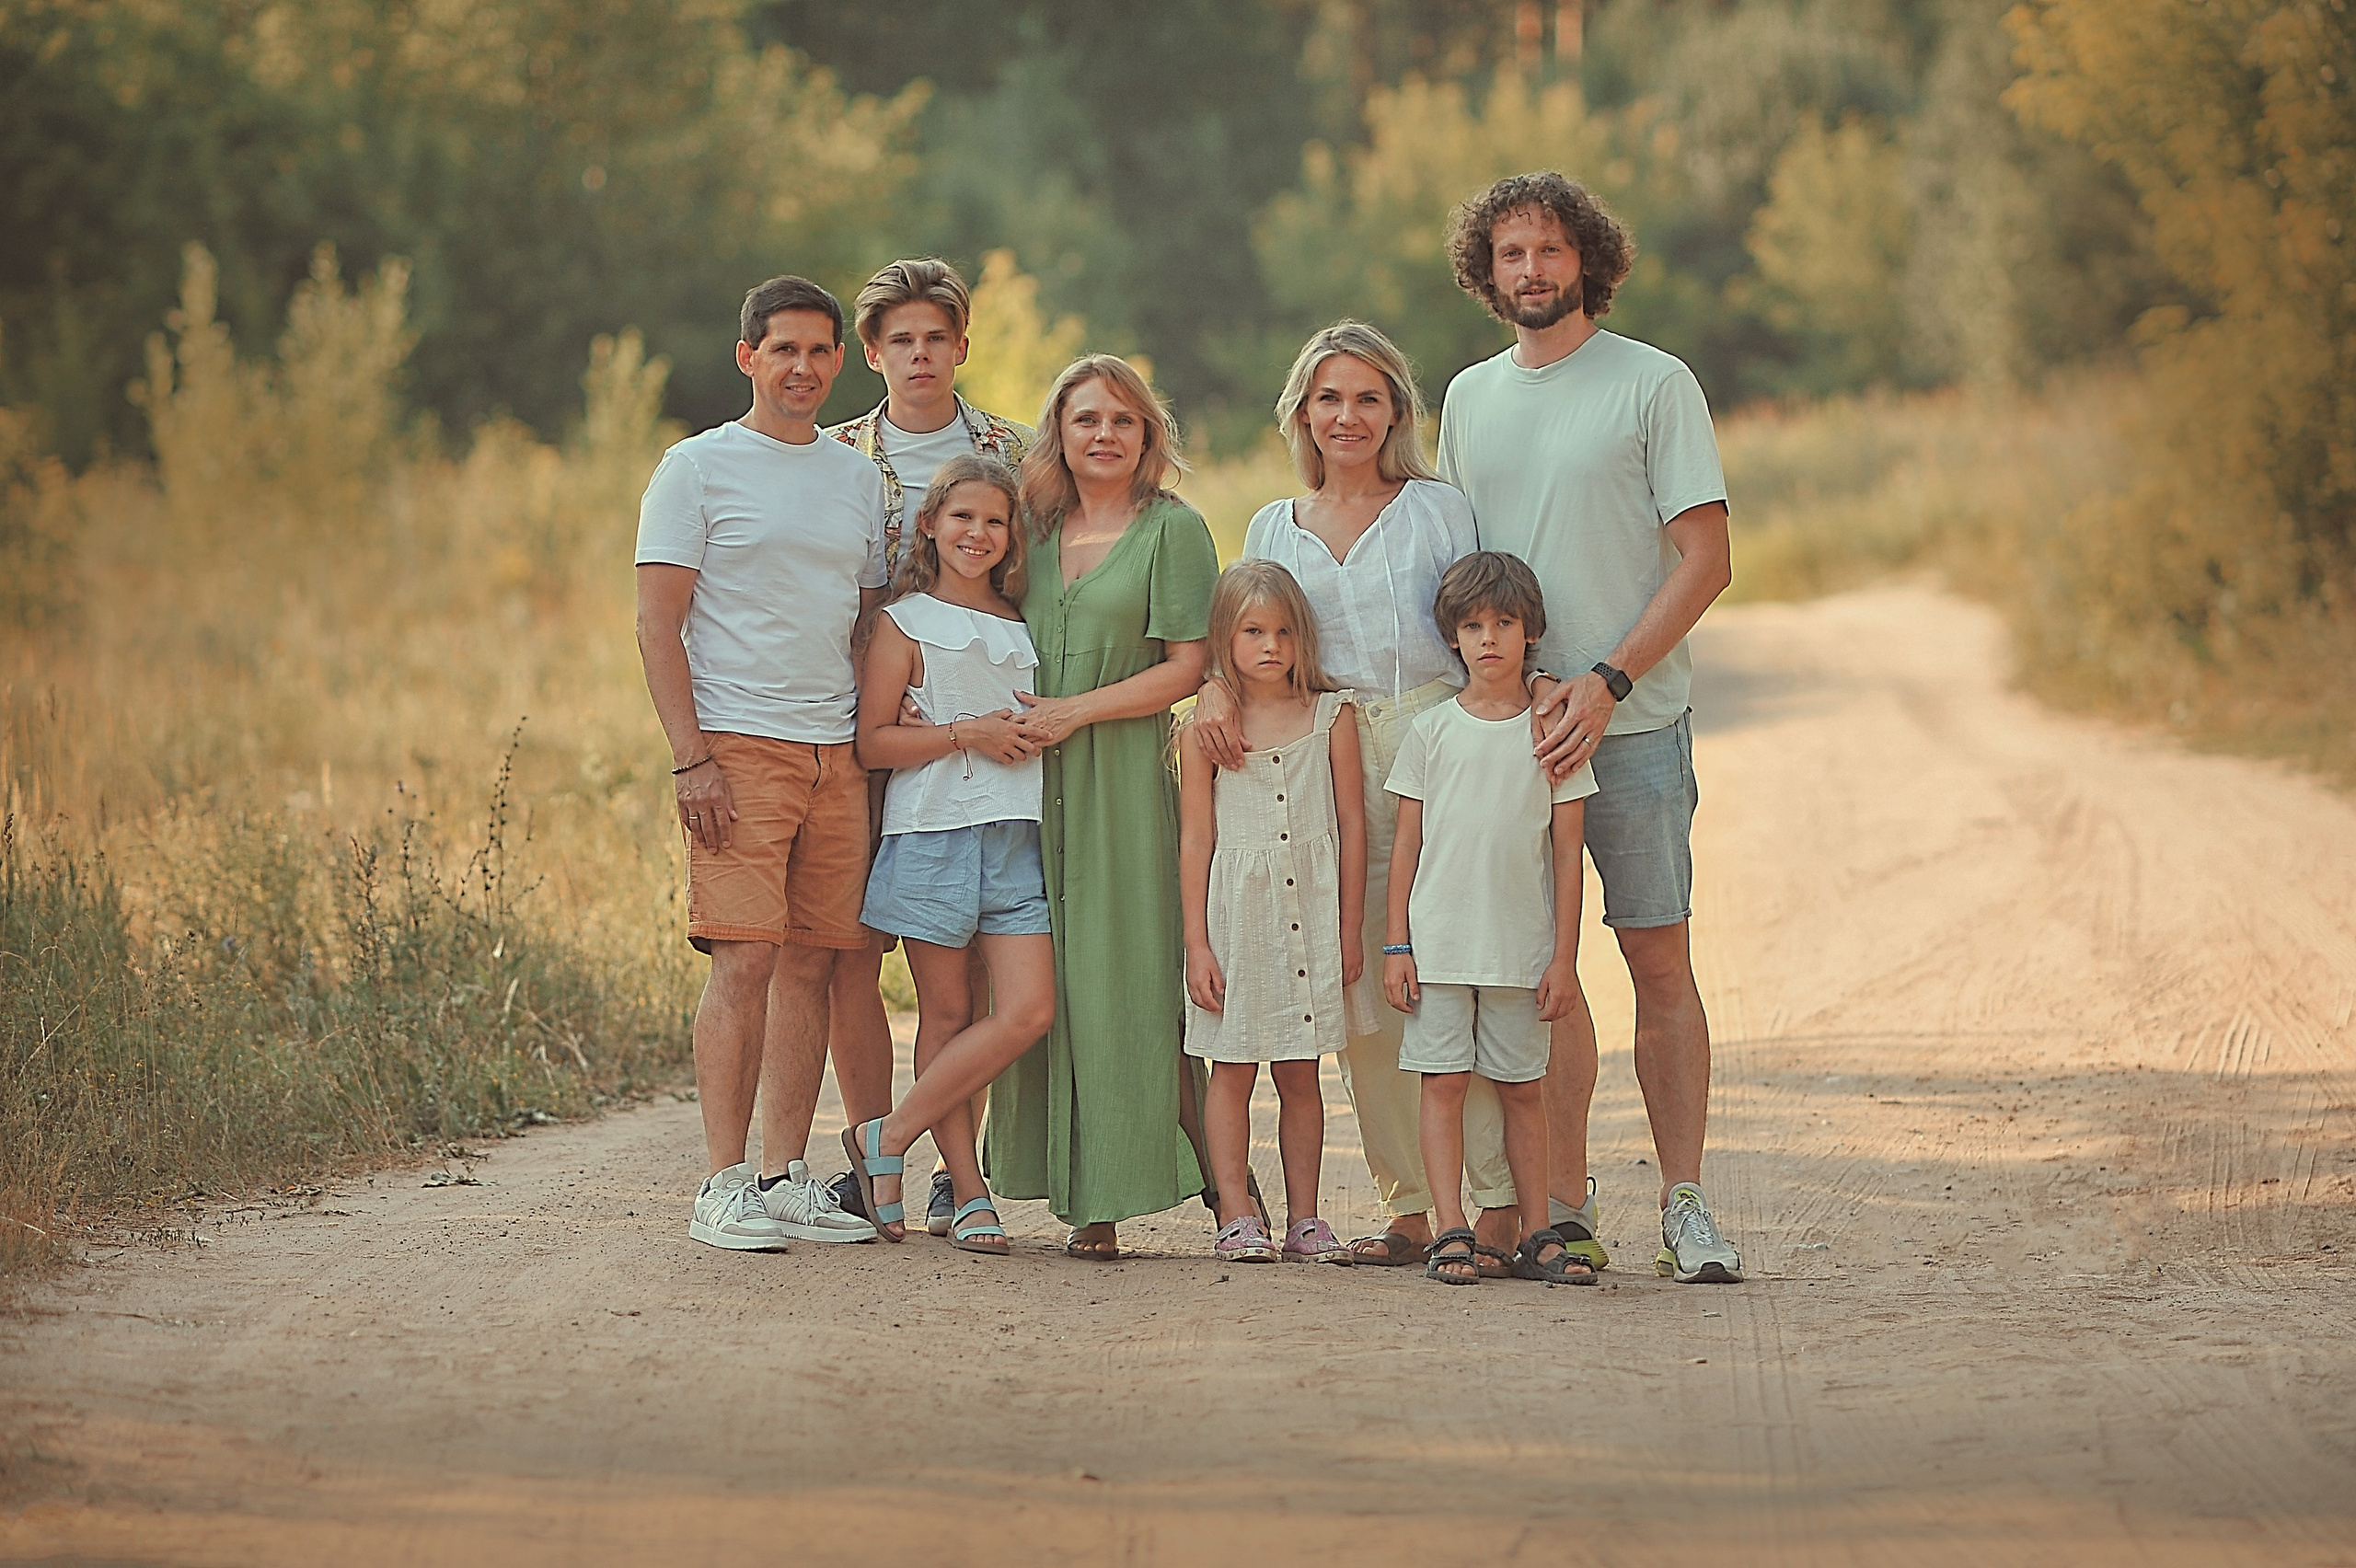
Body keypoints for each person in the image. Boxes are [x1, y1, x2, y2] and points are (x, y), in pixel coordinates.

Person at [1438, 170, 1743, 1284]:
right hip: (1514, 741)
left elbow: (1706, 560)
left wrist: (1608, 679)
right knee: (1541, 978)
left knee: (1657, 962)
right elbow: (1467, 571)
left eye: (1550, 250)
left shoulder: (1654, 384)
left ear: (1589, 261)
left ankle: (1686, 1206)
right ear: (1487, 270)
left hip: (1633, 723)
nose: (1532, 270)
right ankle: (1562, 1210)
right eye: (1511, 253)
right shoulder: (1469, 397)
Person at [1194, 321, 1530, 1274]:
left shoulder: (1438, 510)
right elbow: (1241, 632)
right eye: (1329, 398)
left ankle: (1496, 1199)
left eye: (1368, 398)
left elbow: (1480, 625)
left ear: (1395, 412)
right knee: (1356, 988)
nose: (1348, 416)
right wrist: (1215, 685)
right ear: (1302, 411)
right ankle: (1413, 1205)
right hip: (1315, 755)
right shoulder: (1270, 526)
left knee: (1447, 965)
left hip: (1433, 739)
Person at [633, 275, 885, 1251]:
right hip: (736, 748)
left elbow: (863, 620)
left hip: (835, 752)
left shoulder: (855, 476)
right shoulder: (696, 468)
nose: (804, 368)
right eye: (784, 349)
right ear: (747, 357)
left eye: (821, 351)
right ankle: (719, 1183)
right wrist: (690, 759)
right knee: (743, 958)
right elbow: (658, 623)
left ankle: (784, 1176)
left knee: (815, 965)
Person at [981, 353, 1218, 1261]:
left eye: (1123, 420)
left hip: (1123, 777)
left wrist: (1073, 711)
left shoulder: (1173, 531)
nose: (1104, 435)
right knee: (1048, 984)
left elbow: (1186, 666)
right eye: (1086, 420)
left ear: (1147, 434)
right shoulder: (1028, 531)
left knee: (1131, 985)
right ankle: (1087, 1204)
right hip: (1024, 785)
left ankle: (1217, 1182)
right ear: (1061, 432)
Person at [823, 258, 1034, 1239]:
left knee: (982, 978)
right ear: (872, 352)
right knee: (853, 952)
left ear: (959, 345)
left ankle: (955, 1171)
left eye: (935, 337)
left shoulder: (1013, 451)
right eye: (899, 339)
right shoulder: (836, 457)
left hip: (989, 746)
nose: (918, 354)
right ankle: (871, 1151)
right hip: (862, 718)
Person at [840, 455, 1056, 1256]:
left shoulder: (1024, 621)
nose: (978, 533)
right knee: (950, 1013)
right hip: (931, 836)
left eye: (995, 522)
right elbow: (873, 743)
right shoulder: (905, 623)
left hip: (1015, 837)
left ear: (1012, 538)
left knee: (1029, 1010)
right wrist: (970, 733)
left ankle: (885, 1135)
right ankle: (969, 1192)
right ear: (929, 524)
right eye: (962, 517)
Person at [1380, 553, 1598, 1286]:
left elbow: (1567, 857)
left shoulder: (1552, 735)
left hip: (1519, 951)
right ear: (1452, 637)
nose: (1489, 640)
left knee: (1520, 1090)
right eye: (1473, 626)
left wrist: (1564, 958)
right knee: (1441, 1085)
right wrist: (1396, 945)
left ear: (1530, 630)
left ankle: (1537, 1231)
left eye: (1504, 623)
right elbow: (1404, 845)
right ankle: (1450, 1228)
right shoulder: (1433, 732)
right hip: (1438, 948)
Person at [1178, 561, 1369, 1265]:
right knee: (1230, 1070)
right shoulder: (1204, 730)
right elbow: (1196, 838)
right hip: (1237, 922)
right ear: (1224, 638)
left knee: (1299, 1072)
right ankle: (1235, 1213)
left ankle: (1306, 1220)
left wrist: (1349, 931)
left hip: (1311, 919)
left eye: (1285, 632)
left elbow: (1352, 825)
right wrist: (1197, 943)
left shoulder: (1331, 717)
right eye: (1253, 631)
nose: (1270, 647)